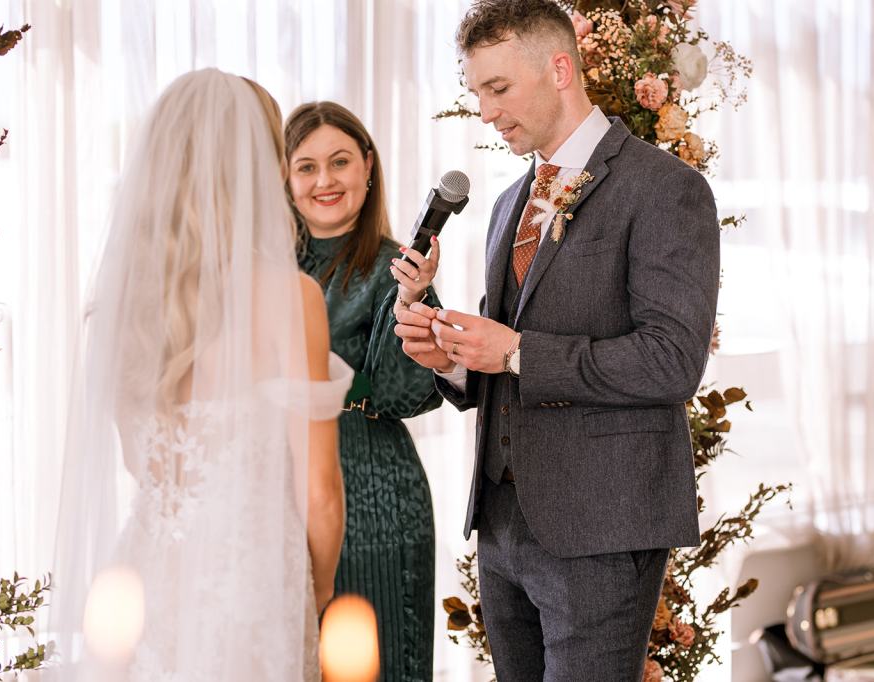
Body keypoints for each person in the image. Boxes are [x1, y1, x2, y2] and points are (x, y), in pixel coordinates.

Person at [393, 1, 721, 679]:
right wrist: (450, 358)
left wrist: (513, 350)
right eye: (477, 93)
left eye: (499, 89)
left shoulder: (665, 191)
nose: (485, 112)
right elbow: (501, 357)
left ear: (561, 69)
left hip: (602, 530)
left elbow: (671, 362)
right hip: (503, 527)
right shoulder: (508, 203)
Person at [50, 69, 352, 680]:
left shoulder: (122, 306)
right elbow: (320, 494)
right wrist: (314, 599)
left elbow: (143, 466)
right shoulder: (289, 298)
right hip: (252, 587)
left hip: (145, 579)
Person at [285, 101, 442, 680]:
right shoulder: (261, 267)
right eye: (307, 166)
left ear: (367, 167)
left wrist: (412, 302)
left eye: (340, 161)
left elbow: (403, 395)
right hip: (278, 487)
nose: (325, 180)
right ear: (284, 176)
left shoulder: (397, 268)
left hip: (373, 492)